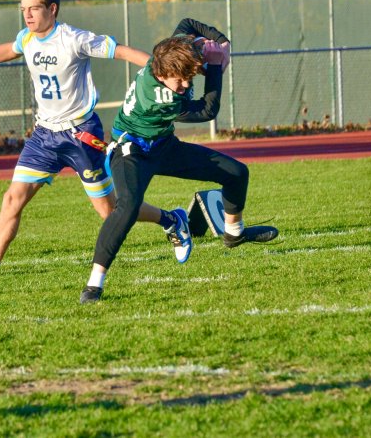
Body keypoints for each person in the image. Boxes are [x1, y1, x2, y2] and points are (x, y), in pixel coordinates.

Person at [0, 0, 193, 297]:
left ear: (52, 9)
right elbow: (9, 49)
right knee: (12, 200)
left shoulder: (74, 39)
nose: (27, 16)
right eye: (23, 9)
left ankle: (171, 219)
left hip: (81, 136)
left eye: (34, 9)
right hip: (44, 136)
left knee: (109, 212)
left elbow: (123, 52)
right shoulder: (27, 37)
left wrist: (164, 72)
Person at [80, 18, 279, 303]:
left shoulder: (171, 54)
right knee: (127, 207)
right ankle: (94, 284)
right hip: (132, 150)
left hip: (163, 145)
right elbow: (208, 110)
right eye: (181, 80)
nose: (185, 84)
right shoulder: (161, 97)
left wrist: (219, 42)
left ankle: (234, 233)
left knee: (236, 172)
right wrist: (214, 65)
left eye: (189, 77)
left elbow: (186, 23)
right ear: (161, 75)